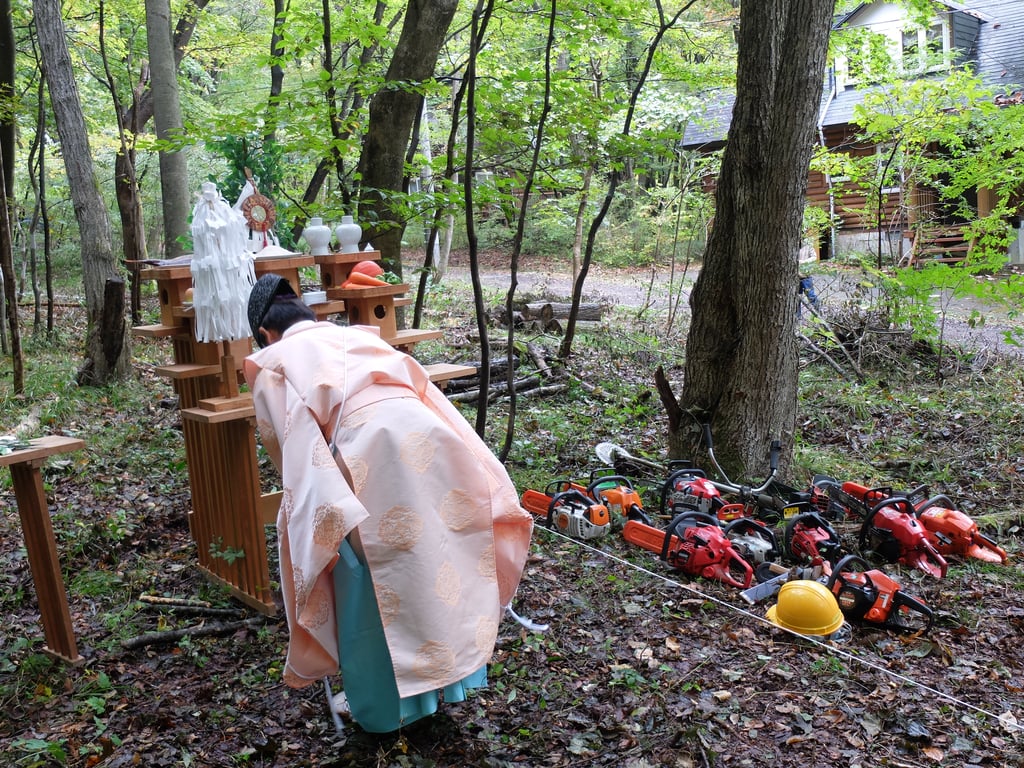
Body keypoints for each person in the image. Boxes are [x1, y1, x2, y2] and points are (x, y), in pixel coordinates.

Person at [243, 273, 534, 733]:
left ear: (265, 332)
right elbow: (424, 392)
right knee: (436, 562)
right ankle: (445, 686)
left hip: (366, 456)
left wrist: (316, 519)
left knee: (371, 583)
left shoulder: (272, 362)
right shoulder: (356, 337)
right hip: (433, 440)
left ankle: (387, 711)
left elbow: (289, 449)